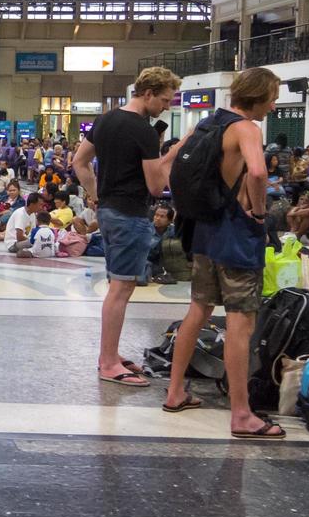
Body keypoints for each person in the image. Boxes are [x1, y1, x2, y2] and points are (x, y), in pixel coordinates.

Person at [162, 66, 284, 439]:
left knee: (197, 311)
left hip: (203, 230)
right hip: (235, 234)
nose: (274, 105)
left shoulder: (207, 124)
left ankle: (174, 392)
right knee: (240, 322)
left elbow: (168, 163)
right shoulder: (247, 128)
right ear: (260, 97)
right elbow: (259, 173)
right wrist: (260, 214)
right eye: (273, 98)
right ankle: (242, 414)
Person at [72, 66, 183, 388]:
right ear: (147, 93)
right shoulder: (144, 131)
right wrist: (170, 154)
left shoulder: (105, 120)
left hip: (108, 211)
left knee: (118, 286)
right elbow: (154, 186)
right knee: (120, 290)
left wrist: (95, 195)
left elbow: (79, 162)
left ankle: (112, 354)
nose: (166, 106)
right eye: (164, 100)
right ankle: (108, 361)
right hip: (130, 213)